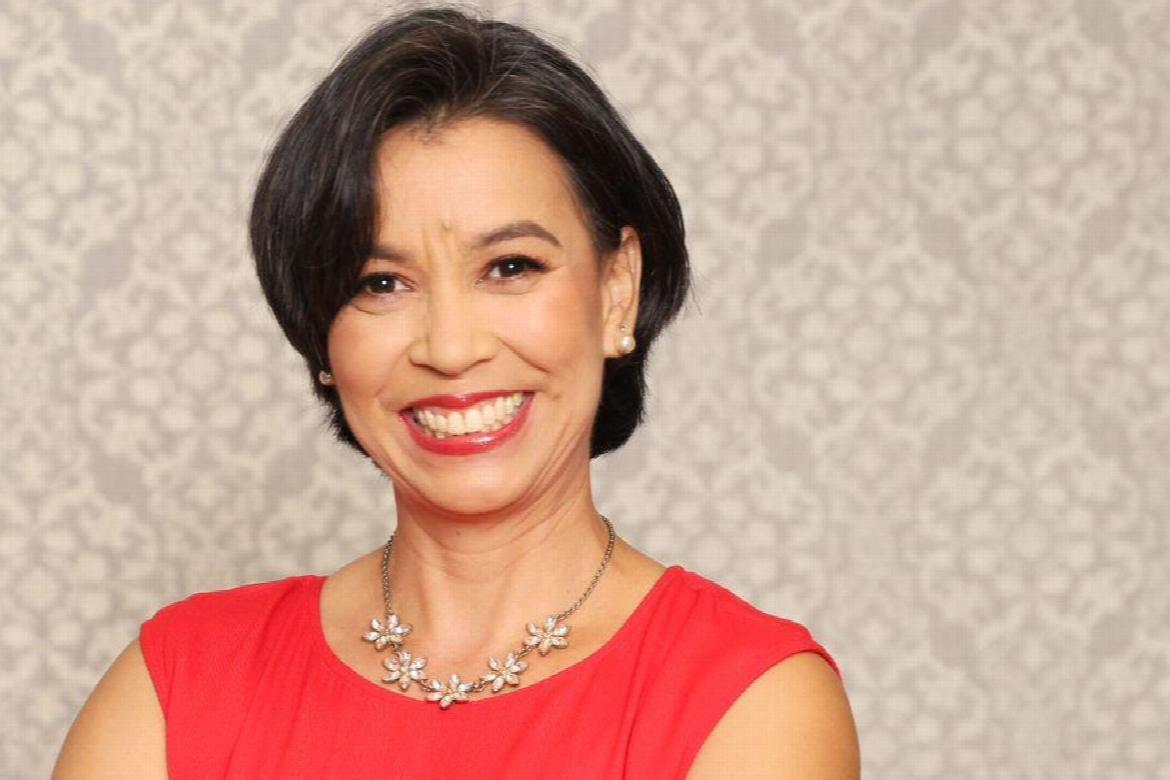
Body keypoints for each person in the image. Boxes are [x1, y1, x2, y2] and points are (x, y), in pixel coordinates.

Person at [53, 4, 859, 778]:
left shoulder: (748, 697)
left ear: (617, 291)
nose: (450, 347)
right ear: (321, 334)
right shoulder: (180, 682)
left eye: (510, 267)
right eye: (380, 283)